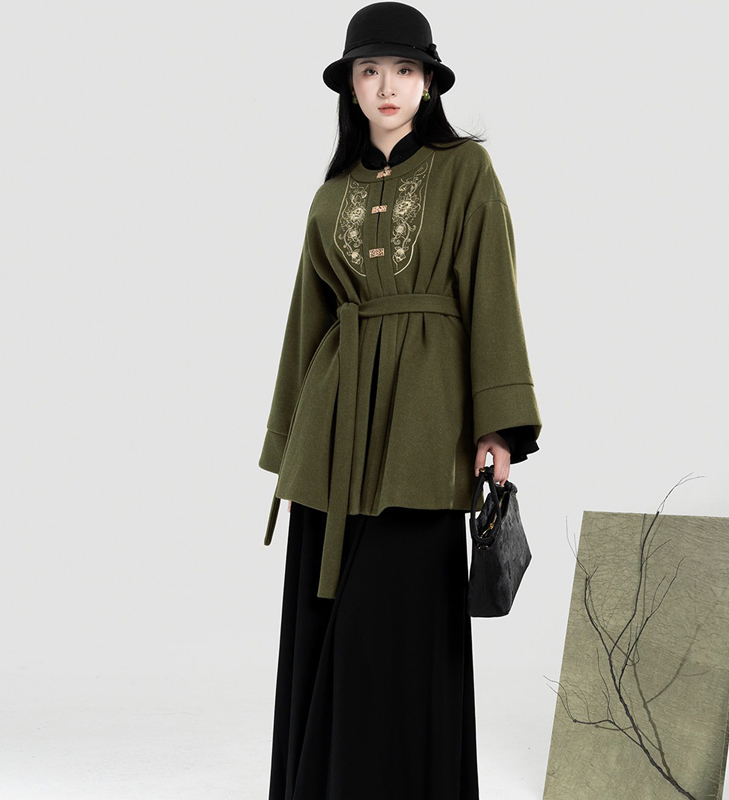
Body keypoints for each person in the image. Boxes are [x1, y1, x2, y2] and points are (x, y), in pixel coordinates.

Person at [258, 3, 542, 798]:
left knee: (399, 621)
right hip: (333, 435)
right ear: (350, 86)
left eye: (405, 70)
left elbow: (492, 292)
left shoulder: (465, 171)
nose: (388, 86)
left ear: (429, 83)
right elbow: (307, 324)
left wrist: (497, 426)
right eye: (371, 71)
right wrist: (291, 451)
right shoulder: (330, 197)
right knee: (329, 626)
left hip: (425, 430)